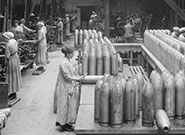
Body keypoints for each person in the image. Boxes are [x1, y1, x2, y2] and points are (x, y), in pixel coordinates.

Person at [55, 45, 84, 132]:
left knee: (68, 105)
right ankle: (63, 124)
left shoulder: (68, 61)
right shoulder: (64, 63)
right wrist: (78, 79)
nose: (72, 55)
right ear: (67, 54)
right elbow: (67, 76)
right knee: (64, 105)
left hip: (69, 86)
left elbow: (71, 72)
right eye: (71, 53)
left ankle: (66, 122)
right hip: (65, 87)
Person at [2, 32, 22, 100]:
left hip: (11, 59)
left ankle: (12, 93)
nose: (4, 39)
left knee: (11, 76)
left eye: (4, 37)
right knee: (15, 75)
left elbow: (7, 56)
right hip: (16, 58)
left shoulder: (8, 45)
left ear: (7, 37)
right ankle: (14, 91)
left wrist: (5, 63)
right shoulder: (14, 41)